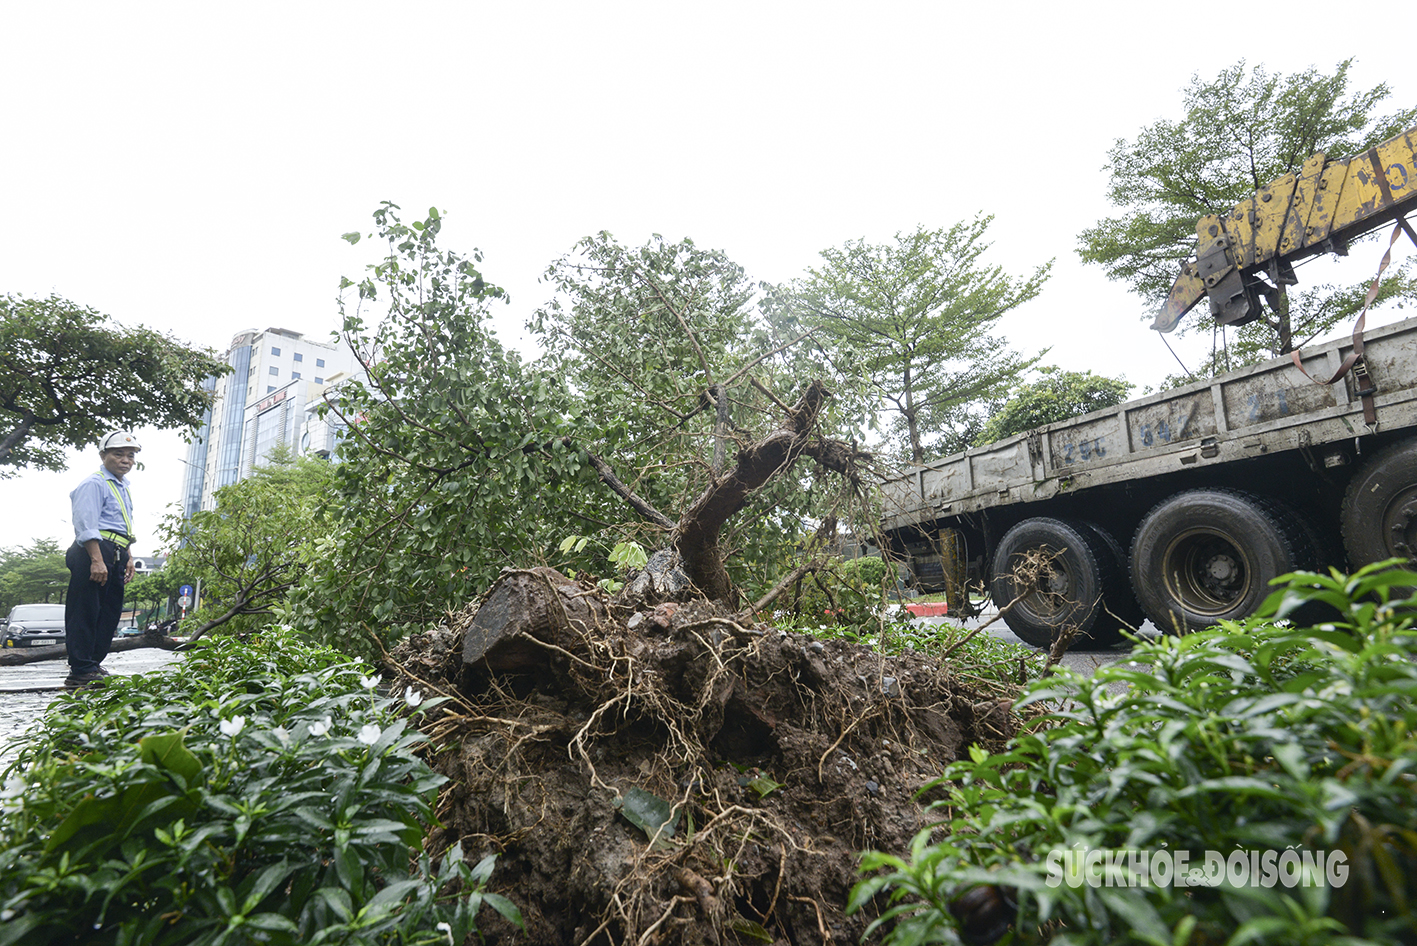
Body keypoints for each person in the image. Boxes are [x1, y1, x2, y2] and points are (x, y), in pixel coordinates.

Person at [63, 430, 141, 688]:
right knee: (86, 610)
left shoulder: (121, 486)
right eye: (118, 454)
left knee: (109, 613)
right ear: (103, 455)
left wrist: (128, 557)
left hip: (116, 551)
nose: (126, 460)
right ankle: (80, 668)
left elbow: (122, 527)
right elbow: (86, 524)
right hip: (94, 551)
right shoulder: (94, 483)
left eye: (130, 456)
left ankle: (93, 664)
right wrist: (96, 559)